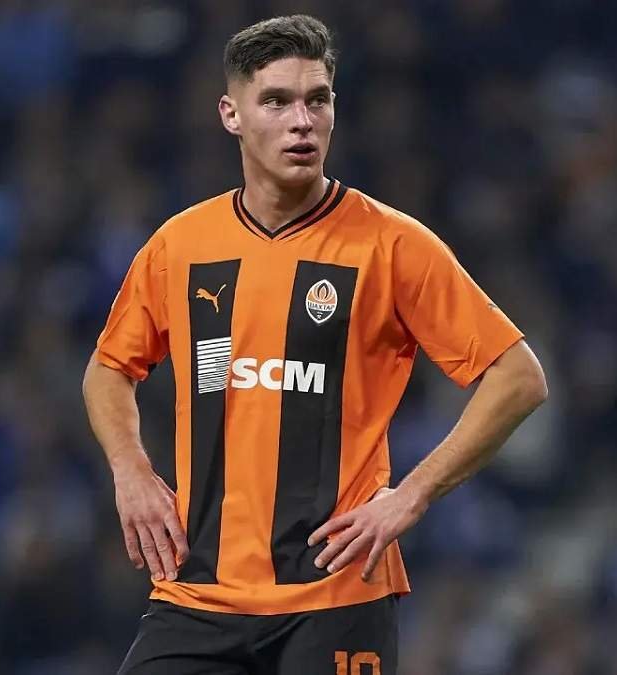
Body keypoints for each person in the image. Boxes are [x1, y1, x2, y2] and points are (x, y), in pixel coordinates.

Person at [81, 14, 547, 674]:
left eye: (317, 100)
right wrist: (130, 470)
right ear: (231, 114)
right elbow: (108, 368)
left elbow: (519, 376)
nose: (301, 121)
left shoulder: (391, 244)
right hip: (198, 593)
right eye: (276, 101)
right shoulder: (180, 246)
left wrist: (412, 494)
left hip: (337, 595)